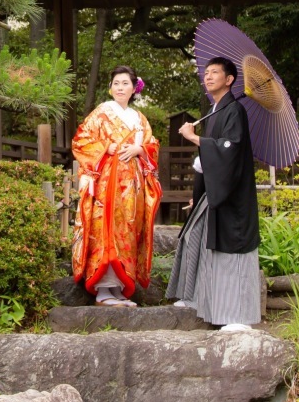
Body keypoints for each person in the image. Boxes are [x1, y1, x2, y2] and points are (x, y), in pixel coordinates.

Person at [167, 56, 261, 331]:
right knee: (193, 235)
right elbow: (211, 155)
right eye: (206, 73)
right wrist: (199, 193)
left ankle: (237, 316)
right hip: (215, 192)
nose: (207, 77)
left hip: (233, 198)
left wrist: (195, 138)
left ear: (229, 79)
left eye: (215, 73)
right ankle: (197, 298)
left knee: (231, 254)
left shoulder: (235, 111)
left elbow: (228, 150)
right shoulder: (216, 110)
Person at [71, 65, 162, 306]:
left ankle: (120, 286)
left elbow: (153, 145)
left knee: (129, 231)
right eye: (116, 83)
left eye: (125, 83)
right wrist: (105, 148)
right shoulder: (101, 113)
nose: (120, 88)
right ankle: (102, 288)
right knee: (106, 230)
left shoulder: (139, 119)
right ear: (110, 88)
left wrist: (140, 149)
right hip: (106, 183)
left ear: (134, 88)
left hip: (132, 185)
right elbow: (81, 140)